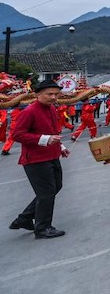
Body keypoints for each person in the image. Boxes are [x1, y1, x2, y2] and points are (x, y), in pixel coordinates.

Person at [9, 80, 71, 239]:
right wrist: (45, 140)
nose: (53, 97)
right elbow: (17, 135)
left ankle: (23, 219)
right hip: (35, 159)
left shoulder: (50, 108)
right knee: (46, 193)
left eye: (56, 94)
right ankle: (42, 228)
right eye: (49, 94)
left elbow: (51, 131)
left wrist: (61, 147)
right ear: (37, 94)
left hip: (51, 155)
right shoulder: (29, 111)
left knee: (56, 187)